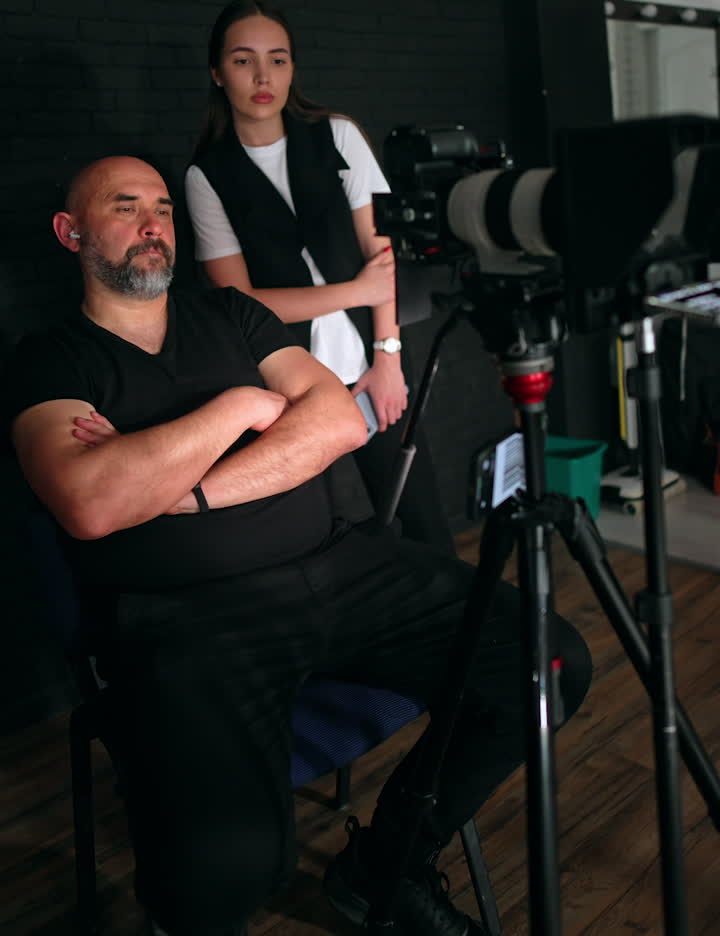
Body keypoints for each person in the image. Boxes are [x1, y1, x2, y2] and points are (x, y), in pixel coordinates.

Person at [7, 155, 592, 936]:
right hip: (188, 620)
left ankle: (382, 868)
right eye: (125, 206)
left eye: (164, 208)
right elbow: (90, 501)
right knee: (229, 868)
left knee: (547, 666)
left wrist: (173, 485)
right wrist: (243, 406)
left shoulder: (234, 316)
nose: (154, 224)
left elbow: (341, 423)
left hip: (341, 569)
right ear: (70, 231)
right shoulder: (48, 359)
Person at [185, 0, 455, 552]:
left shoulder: (337, 135)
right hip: (286, 387)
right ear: (217, 72)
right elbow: (238, 301)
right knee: (311, 537)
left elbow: (383, 252)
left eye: (278, 60)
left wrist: (388, 358)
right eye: (243, 60)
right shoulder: (205, 175)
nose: (264, 76)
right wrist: (354, 290)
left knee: (421, 517)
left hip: (372, 363)